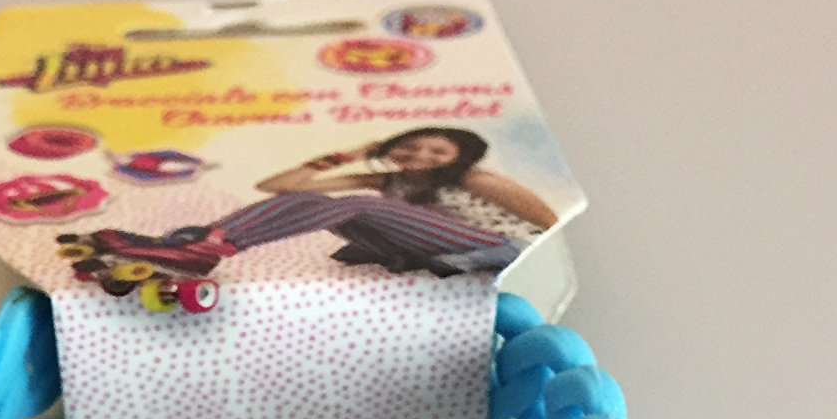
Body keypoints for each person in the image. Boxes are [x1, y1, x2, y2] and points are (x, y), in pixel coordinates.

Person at [79, 127, 557, 278]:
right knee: (320, 200)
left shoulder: (479, 179)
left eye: (438, 151)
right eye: (411, 145)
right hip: (417, 248)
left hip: (493, 247)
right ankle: (198, 243)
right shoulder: (389, 179)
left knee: (362, 205)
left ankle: (207, 247)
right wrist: (340, 157)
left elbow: (549, 223)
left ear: (457, 158)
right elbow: (279, 187)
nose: (421, 156)